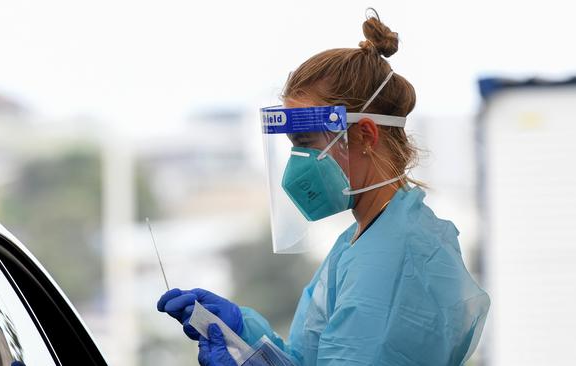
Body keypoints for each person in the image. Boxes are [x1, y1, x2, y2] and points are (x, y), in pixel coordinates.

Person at [158, 10, 490, 366]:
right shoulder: (361, 240)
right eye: (291, 144)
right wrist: (241, 333)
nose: (295, 163)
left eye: (306, 141)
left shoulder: (395, 260)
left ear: (365, 135)